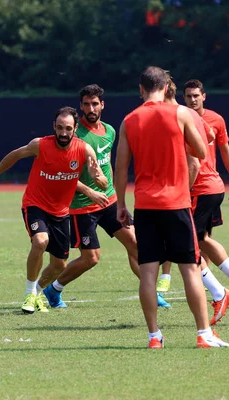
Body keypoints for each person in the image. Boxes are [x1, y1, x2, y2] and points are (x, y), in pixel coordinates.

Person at [115, 66, 229, 348]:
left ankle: (154, 336)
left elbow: (120, 168)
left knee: (148, 272)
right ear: (167, 88)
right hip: (177, 202)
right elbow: (201, 152)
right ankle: (204, 334)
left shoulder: (129, 120)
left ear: (141, 89)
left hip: (144, 205)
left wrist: (120, 204)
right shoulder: (180, 114)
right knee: (190, 269)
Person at [0, 107, 107, 314]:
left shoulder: (85, 150)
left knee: (59, 265)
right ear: (54, 127)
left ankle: (39, 291)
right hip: (35, 205)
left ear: (75, 129)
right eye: (59, 128)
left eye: (68, 128)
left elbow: (101, 181)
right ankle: (29, 293)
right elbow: (15, 155)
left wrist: (98, 180)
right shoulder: (40, 145)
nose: (63, 133)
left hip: (61, 212)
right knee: (40, 240)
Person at [40, 85, 171, 309]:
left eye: (95, 104)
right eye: (86, 104)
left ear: (102, 105)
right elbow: (63, 174)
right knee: (91, 258)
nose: (90, 108)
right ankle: (53, 290)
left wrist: (118, 199)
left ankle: (151, 292)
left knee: (136, 245)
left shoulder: (109, 131)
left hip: (109, 202)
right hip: (82, 207)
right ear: (80, 106)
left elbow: (107, 165)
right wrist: (90, 191)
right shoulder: (73, 133)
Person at [159, 78, 229, 308]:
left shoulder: (188, 118)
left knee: (184, 244)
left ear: (204, 96)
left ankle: (220, 293)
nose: (192, 100)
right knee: (202, 239)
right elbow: (208, 140)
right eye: (188, 96)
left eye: (196, 95)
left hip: (199, 188)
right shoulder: (189, 117)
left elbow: (214, 152)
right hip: (210, 188)